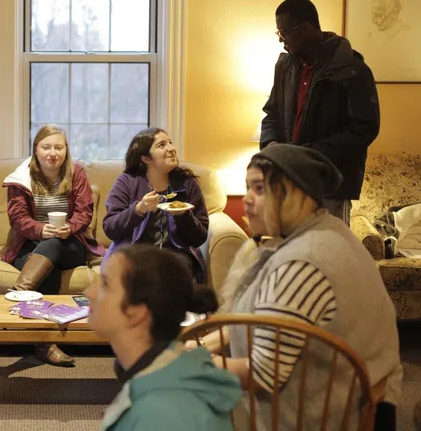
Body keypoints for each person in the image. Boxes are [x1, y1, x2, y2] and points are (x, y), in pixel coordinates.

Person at [203, 144, 402, 430]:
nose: (246, 200)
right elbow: (272, 317)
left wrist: (195, 363)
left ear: (294, 195)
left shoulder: (303, 261)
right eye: (248, 187)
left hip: (334, 414)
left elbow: (264, 373)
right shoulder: (328, 230)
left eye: (259, 189)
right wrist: (204, 343)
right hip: (360, 395)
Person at [86, 244, 241, 430]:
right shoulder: (164, 374)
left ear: (137, 312)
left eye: (105, 284)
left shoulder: (161, 413)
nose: (89, 292)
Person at [260, 0, 380, 224]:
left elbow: (364, 129)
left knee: (330, 256)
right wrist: (271, 145)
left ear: (304, 28)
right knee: (295, 254)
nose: (281, 40)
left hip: (331, 187)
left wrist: (308, 156)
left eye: (283, 33)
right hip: (290, 183)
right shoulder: (285, 66)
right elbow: (271, 113)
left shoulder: (353, 70)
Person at [2, 124, 104, 366]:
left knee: (55, 245)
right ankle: (44, 344)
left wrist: (70, 226)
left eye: (58, 147)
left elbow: (84, 212)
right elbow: (17, 218)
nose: (53, 153)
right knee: (49, 261)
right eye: (46, 147)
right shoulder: (22, 176)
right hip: (30, 245)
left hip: (70, 244)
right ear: (36, 150)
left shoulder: (76, 172)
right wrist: (40, 229)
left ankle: (19, 294)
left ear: (66, 150)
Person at [102, 128, 209, 282]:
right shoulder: (127, 182)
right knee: (136, 272)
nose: (171, 149)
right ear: (146, 158)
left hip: (176, 254)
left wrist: (184, 216)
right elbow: (110, 227)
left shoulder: (187, 183)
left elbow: (199, 238)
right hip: (135, 252)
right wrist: (138, 210)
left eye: (170, 143)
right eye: (162, 145)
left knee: (173, 270)